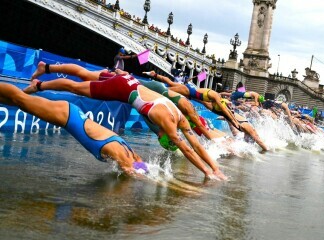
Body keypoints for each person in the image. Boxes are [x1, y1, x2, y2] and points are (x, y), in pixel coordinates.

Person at [23, 74, 227, 180]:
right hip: (122, 87)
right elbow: (188, 150)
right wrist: (207, 173)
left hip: (130, 82)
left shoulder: (179, 116)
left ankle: (40, 84)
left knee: (85, 78)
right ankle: (39, 85)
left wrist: (215, 168)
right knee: (75, 87)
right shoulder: (168, 121)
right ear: (164, 133)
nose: (159, 137)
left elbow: (197, 146)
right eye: (161, 138)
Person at [0, 83, 148, 176]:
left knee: (21, 102)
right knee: (21, 99)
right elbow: (132, 175)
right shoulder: (121, 154)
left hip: (71, 113)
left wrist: (152, 175)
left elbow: (141, 165)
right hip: (67, 116)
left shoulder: (131, 153)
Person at [148, 71, 241, 130]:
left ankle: (154, 75)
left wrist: (233, 119)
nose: (229, 103)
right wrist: (234, 121)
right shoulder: (215, 97)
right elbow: (224, 110)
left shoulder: (213, 99)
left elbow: (226, 111)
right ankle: (152, 80)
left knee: (169, 85)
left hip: (191, 92)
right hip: (189, 91)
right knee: (166, 89)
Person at [30, 61, 128, 81]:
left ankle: (46, 69)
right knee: (82, 75)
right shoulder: (119, 58)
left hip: (116, 78)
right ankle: (45, 68)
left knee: (84, 76)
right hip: (118, 80)